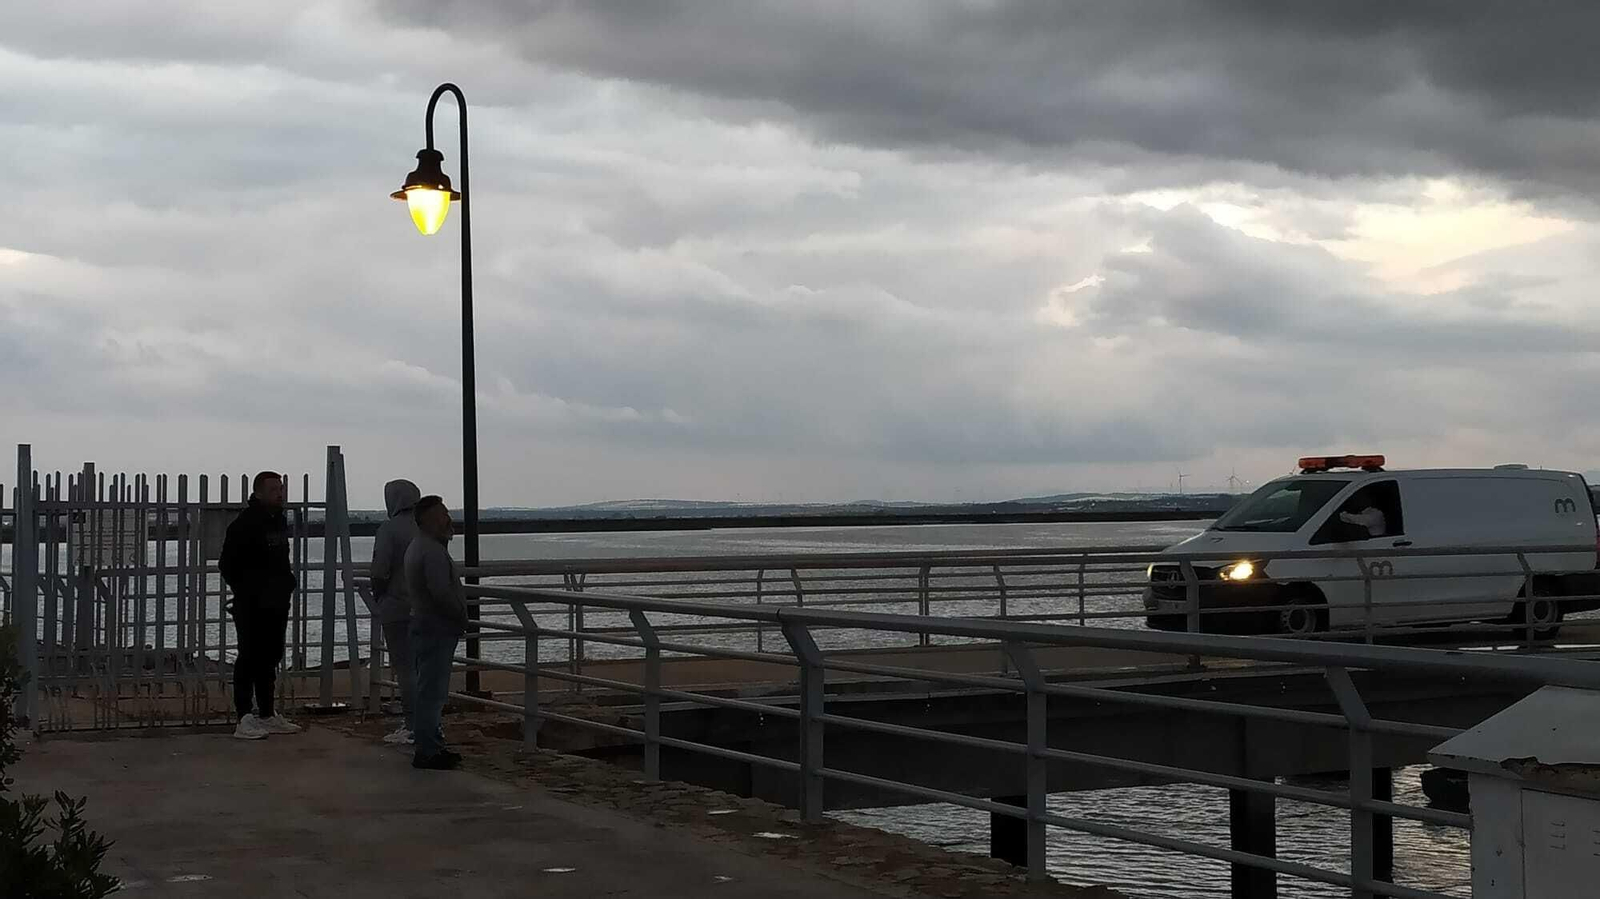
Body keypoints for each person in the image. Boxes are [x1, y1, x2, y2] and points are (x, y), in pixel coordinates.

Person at [219, 471, 303, 740]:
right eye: (273, 489)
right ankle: (244, 716)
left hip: (276, 601)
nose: (280, 493)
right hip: (252, 603)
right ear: (258, 493)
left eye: (281, 488)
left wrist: (286, 584)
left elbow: (280, 559)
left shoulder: (277, 521)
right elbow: (227, 564)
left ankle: (267, 713)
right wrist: (248, 591)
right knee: (249, 656)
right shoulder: (244, 524)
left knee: (271, 656)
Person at [404, 495, 467, 770]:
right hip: (436, 627)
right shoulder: (430, 551)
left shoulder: (420, 547)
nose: (448, 518)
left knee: (428, 689)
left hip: (426, 625)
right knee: (432, 691)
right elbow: (440, 592)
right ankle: (428, 750)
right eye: (442, 514)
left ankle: (431, 744)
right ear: (429, 520)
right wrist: (460, 616)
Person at [369, 479, 421, 745]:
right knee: (424, 668)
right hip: (426, 608)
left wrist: (378, 595)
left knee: (405, 668)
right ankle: (428, 722)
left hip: (397, 606)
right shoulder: (424, 527)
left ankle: (413, 724)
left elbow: (380, 569)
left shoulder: (389, 529)